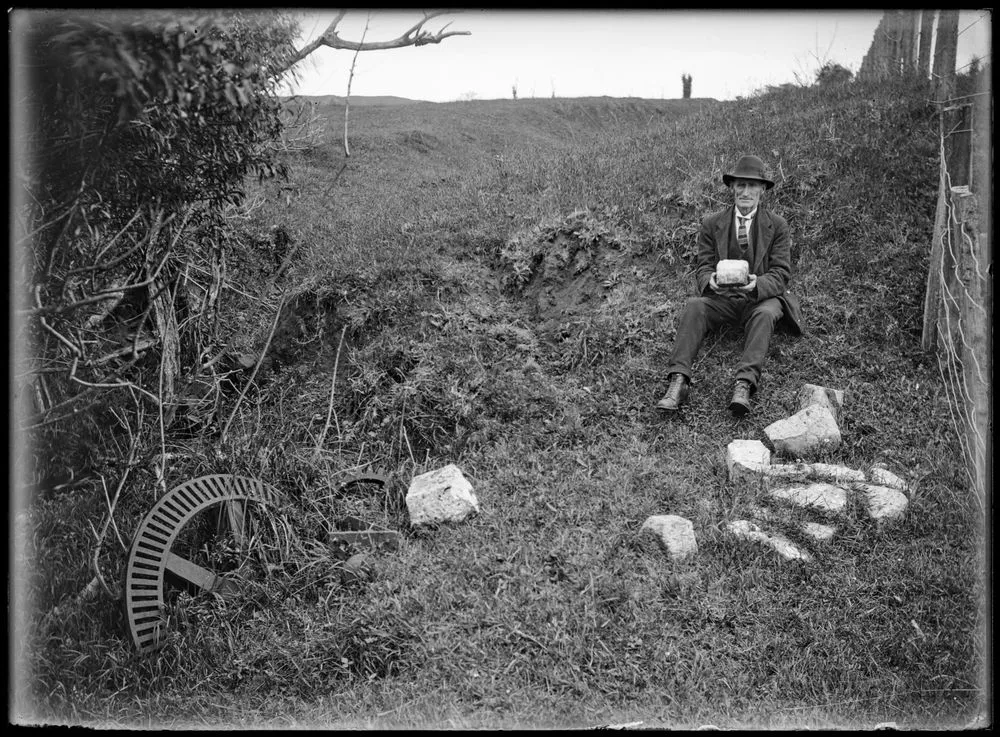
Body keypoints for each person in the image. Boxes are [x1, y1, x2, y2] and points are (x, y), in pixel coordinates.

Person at [656, 154, 802, 416]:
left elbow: (781, 273)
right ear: (732, 188)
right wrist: (709, 280)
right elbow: (703, 266)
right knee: (694, 306)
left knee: (767, 313)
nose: (746, 192)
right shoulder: (712, 224)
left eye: (752, 186)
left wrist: (757, 284)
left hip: (758, 300)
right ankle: (678, 381)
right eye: (740, 186)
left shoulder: (777, 226)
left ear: (763, 190)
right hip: (723, 300)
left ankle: (744, 384)